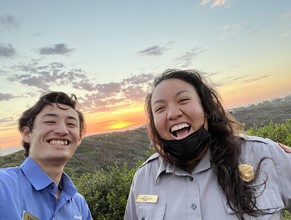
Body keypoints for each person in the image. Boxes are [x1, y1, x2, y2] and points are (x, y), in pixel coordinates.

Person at [124, 69, 291, 220]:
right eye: (160, 109)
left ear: (205, 107)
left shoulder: (265, 154)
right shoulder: (143, 178)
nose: (173, 114)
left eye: (183, 100)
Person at [0, 91, 92, 220]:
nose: (62, 130)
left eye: (71, 124)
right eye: (50, 121)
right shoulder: (4, 186)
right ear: (27, 134)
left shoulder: (79, 204)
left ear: (79, 138)